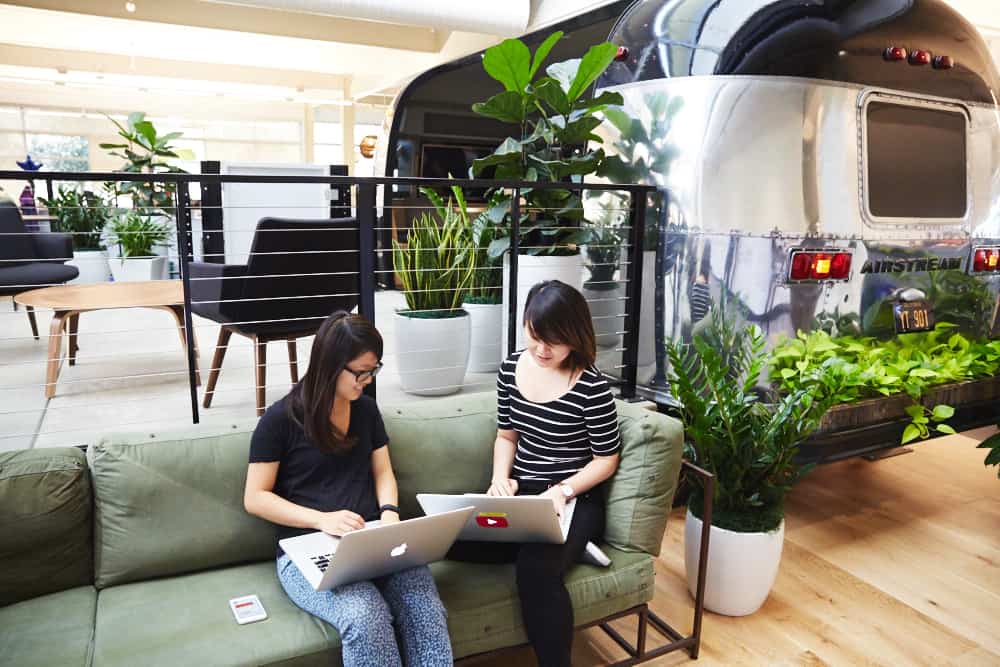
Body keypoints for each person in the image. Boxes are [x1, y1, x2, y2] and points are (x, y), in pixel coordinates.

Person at [244, 311, 452, 667]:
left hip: (373, 541)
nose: (367, 380)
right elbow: (255, 497)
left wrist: (389, 513)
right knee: (365, 615)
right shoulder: (280, 420)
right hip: (306, 551)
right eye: (360, 371)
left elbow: (384, 471)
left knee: (425, 608)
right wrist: (322, 519)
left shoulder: (367, 411)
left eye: (374, 370)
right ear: (330, 365)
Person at [449, 280, 622, 667]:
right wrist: (500, 479)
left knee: (535, 572)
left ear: (575, 337)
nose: (542, 349)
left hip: (575, 499)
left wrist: (562, 490)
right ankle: (559, 548)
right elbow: (506, 436)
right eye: (535, 335)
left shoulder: (592, 387)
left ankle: (562, 548)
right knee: (449, 534)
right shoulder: (511, 367)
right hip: (523, 495)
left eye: (555, 341)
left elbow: (606, 459)